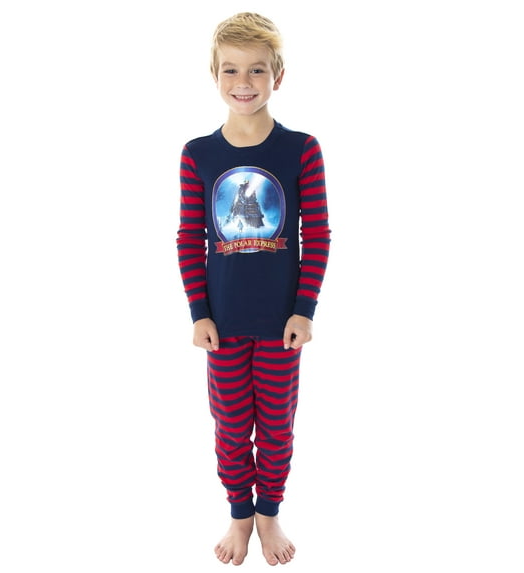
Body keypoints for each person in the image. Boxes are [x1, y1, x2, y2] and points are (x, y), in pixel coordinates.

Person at [176, 12, 331, 566]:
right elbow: (190, 236)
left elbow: (317, 233)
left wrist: (304, 310)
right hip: (223, 324)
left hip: (280, 324)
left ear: (278, 76)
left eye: (257, 70)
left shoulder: (301, 149)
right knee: (231, 425)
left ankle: (269, 511)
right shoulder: (198, 154)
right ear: (214, 75)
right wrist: (199, 312)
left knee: (277, 427)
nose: (244, 82)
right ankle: (240, 512)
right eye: (231, 70)